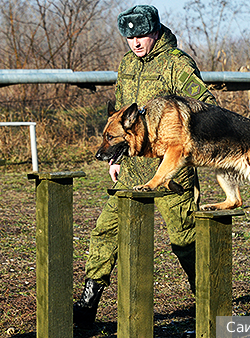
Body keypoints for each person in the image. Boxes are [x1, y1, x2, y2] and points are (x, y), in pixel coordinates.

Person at [73, 4, 217, 329]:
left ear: (155, 30)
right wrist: (116, 157)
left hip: (171, 169)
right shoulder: (126, 64)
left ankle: (211, 304)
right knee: (105, 232)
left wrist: (175, 128)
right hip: (133, 169)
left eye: (142, 35)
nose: (136, 42)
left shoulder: (177, 64)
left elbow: (207, 108)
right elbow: (121, 117)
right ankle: (87, 306)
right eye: (130, 37)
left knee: (185, 239)